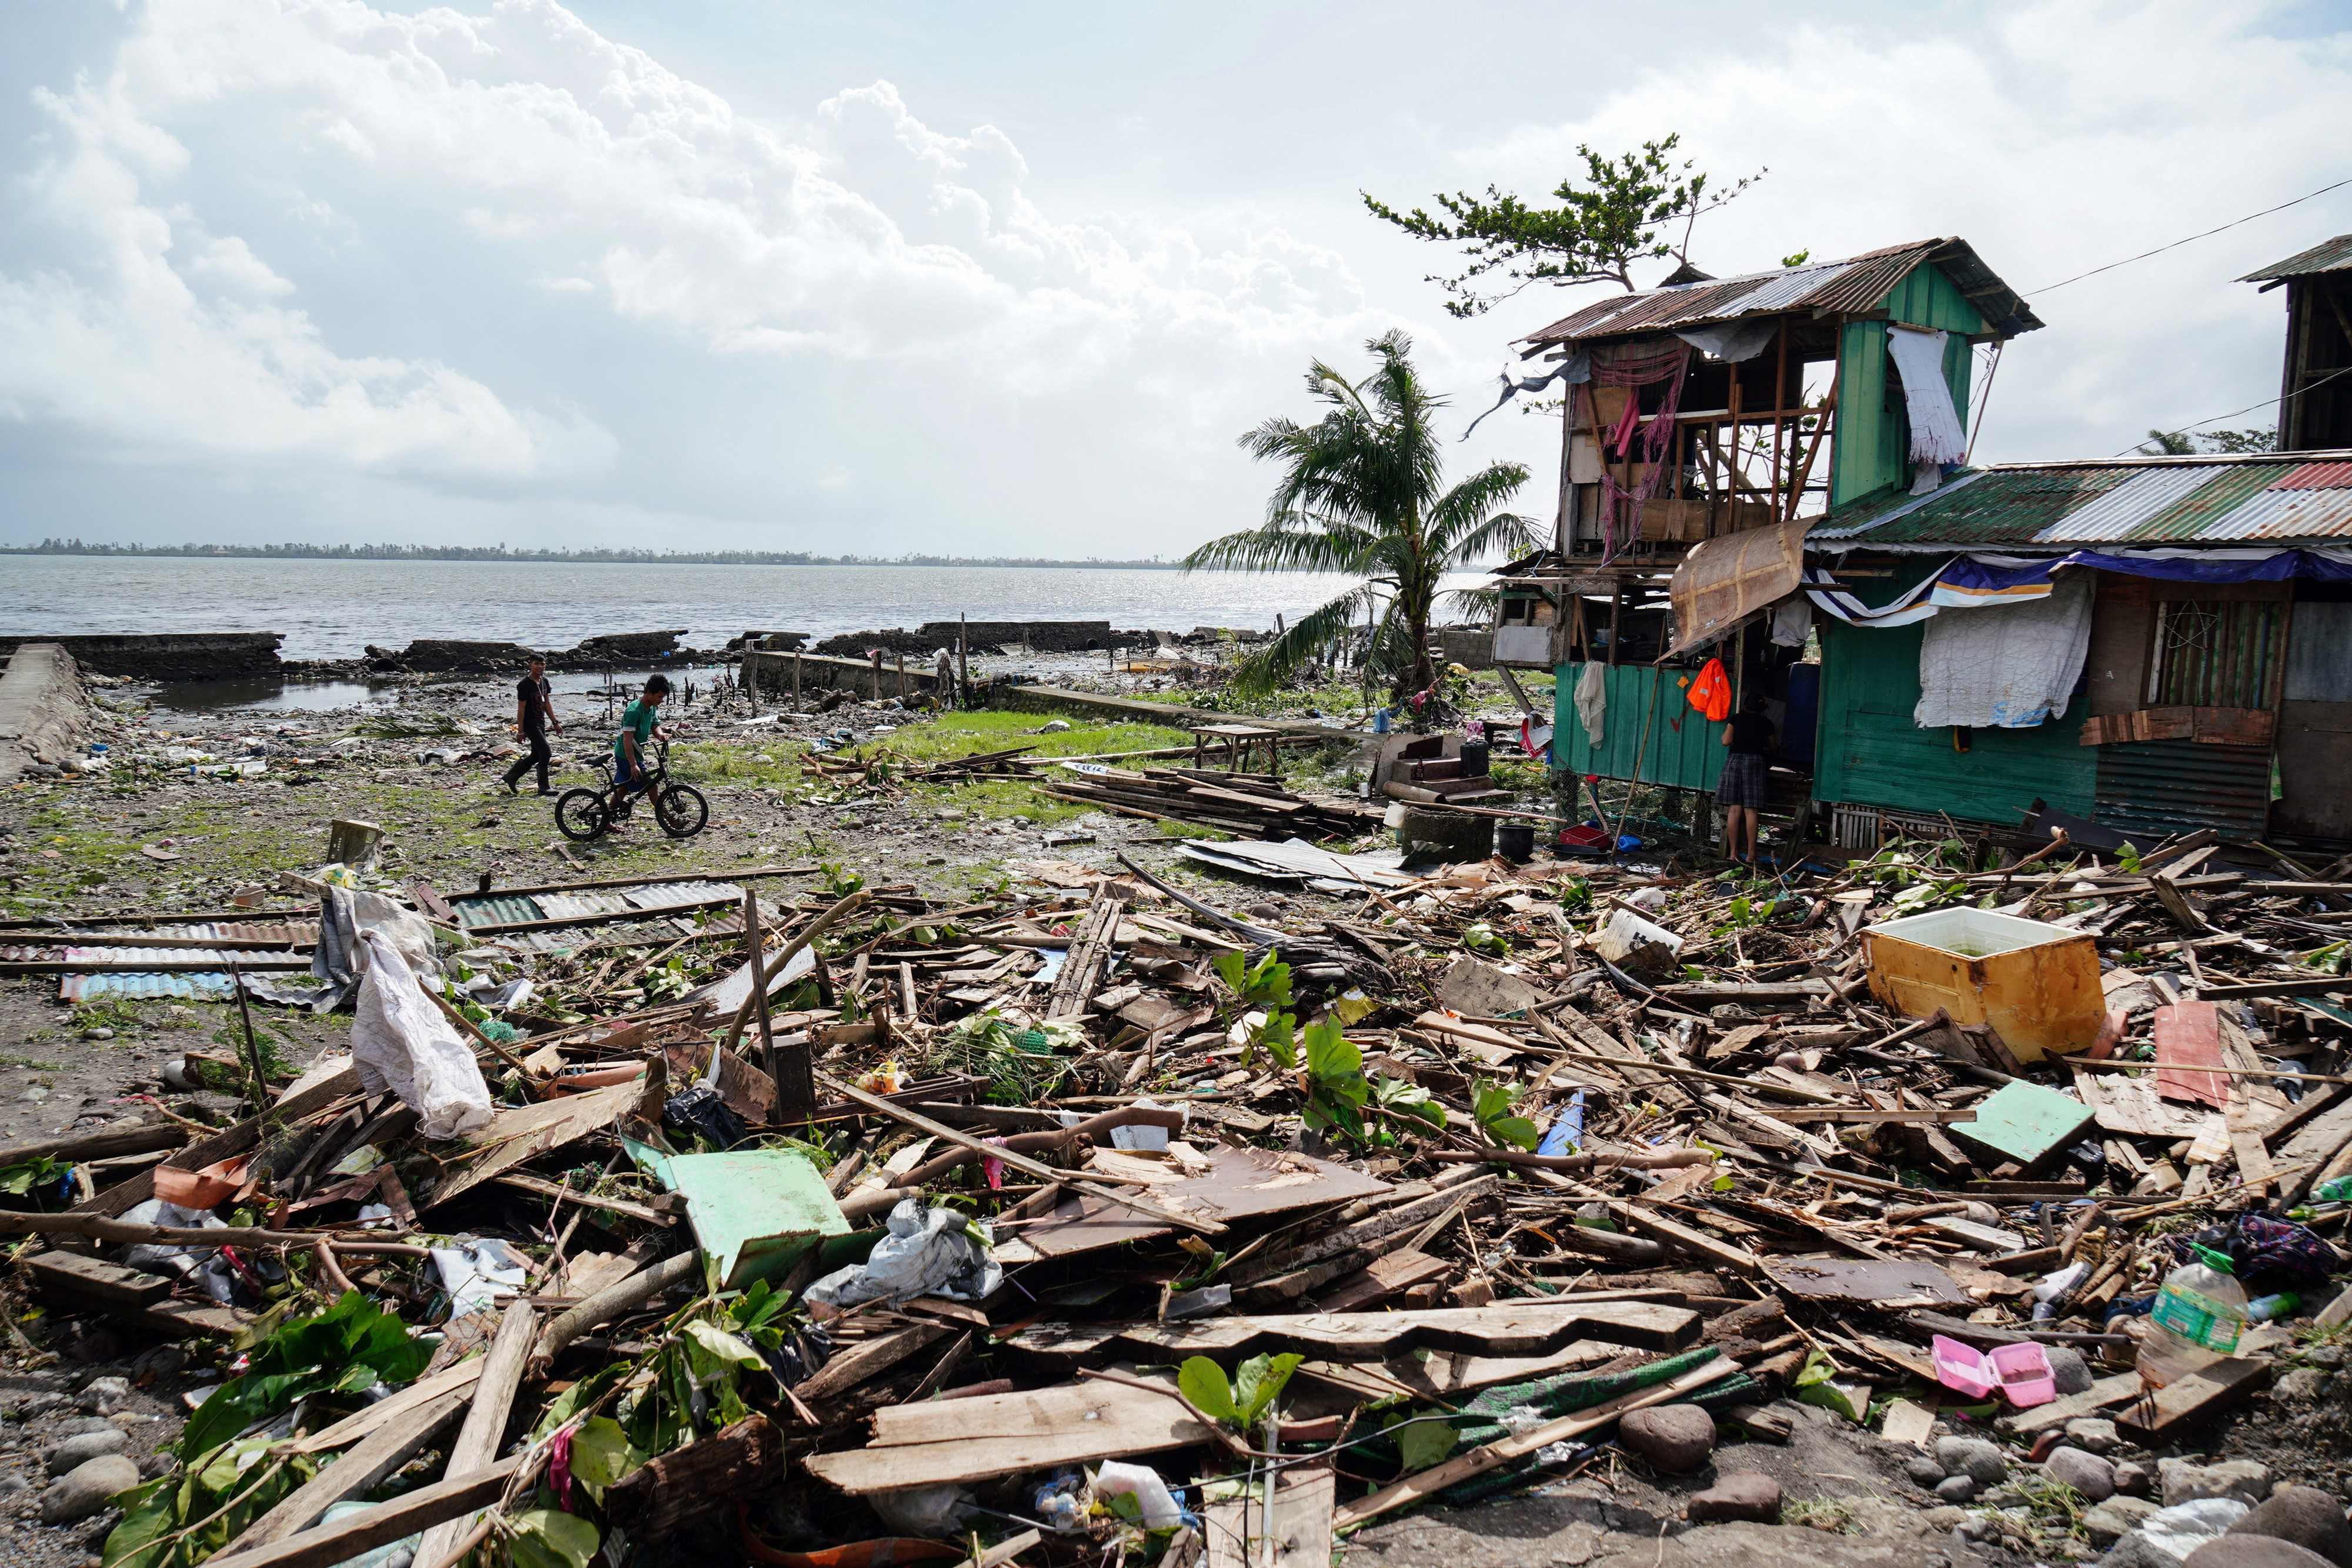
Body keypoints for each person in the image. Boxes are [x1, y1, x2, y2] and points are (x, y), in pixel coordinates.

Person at [1716, 693, 1776, 870]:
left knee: (1734, 809)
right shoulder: (1767, 723)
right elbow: (1773, 747)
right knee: (1751, 811)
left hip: (1734, 762)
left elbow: (1726, 741)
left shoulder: (1736, 718)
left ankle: (1733, 854)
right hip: (1755, 762)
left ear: (1745, 706)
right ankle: (1751, 855)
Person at [609, 674, 671, 817]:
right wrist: (633, 764)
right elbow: (627, 740)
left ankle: (606, 821)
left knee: (623, 788)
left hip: (635, 753)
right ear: (649, 693)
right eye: (659, 697)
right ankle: (669, 819)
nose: (661, 700)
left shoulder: (652, 707)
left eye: (663, 697)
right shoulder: (634, 711)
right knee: (652, 786)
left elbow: (655, 725)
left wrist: (661, 735)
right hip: (625, 754)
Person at [502, 654, 561, 795]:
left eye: (542, 664)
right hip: (530, 724)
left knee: (536, 755)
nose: (540, 667)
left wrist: (555, 723)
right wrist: (520, 731)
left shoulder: (544, 681)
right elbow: (521, 708)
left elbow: (547, 703)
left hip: (541, 722)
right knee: (546, 752)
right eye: (537, 664)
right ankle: (544, 787)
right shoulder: (524, 685)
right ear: (530, 665)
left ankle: (511, 777)